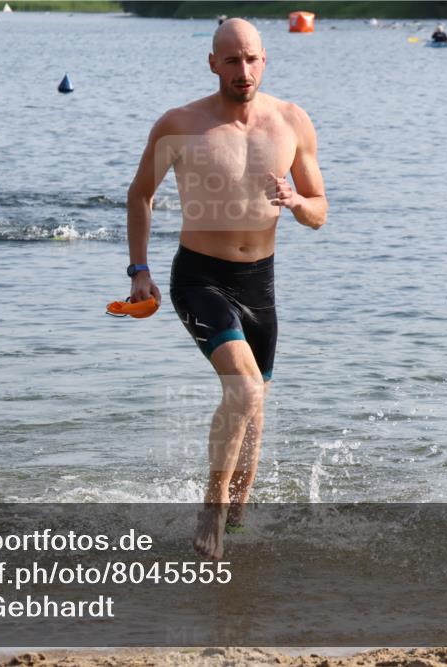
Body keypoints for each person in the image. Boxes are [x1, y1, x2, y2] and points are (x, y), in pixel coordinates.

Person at [124, 18, 327, 560]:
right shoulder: (180, 124)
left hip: (260, 282)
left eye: (252, 59)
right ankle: (210, 512)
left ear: (266, 61)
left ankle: (236, 524)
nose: (243, 70)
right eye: (232, 60)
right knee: (243, 387)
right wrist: (138, 269)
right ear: (212, 63)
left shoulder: (292, 122)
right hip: (200, 278)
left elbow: (320, 212)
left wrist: (297, 201)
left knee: (254, 409)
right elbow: (140, 195)